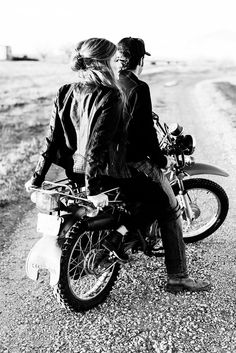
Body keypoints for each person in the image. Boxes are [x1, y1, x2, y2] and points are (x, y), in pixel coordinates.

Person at [24, 37, 163, 263]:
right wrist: (93, 191)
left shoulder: (64, 91)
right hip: (103, 174)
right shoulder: (111, 95)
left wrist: (37, 178)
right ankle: (117, 237)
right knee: (156, 198)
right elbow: (96, 148)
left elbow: (51, 140)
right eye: (113, 59)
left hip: (74, 172)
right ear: (104, 62)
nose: (116, 63)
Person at [115, 37, 211, 293]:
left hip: (110, 161)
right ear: (141, 60)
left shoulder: (112, 82)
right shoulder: (138, 87)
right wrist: (162, 160)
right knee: (170, 209)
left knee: (144, 203)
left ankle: (128, 237)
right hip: (134, 162)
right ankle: (178, 277)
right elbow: (145, 135)